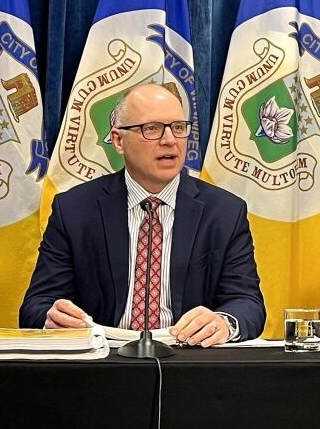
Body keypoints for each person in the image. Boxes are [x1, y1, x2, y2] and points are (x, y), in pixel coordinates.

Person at [20, 84, 265, 347]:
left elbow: (247, 304)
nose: (170, 140)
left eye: (178, 128)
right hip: (103, 364)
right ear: (118, 140)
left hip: (188, 363)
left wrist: (224, 322)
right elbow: (36, 306)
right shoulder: (75, 210)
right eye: (152, 129)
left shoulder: (224, 212)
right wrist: (52, 317)